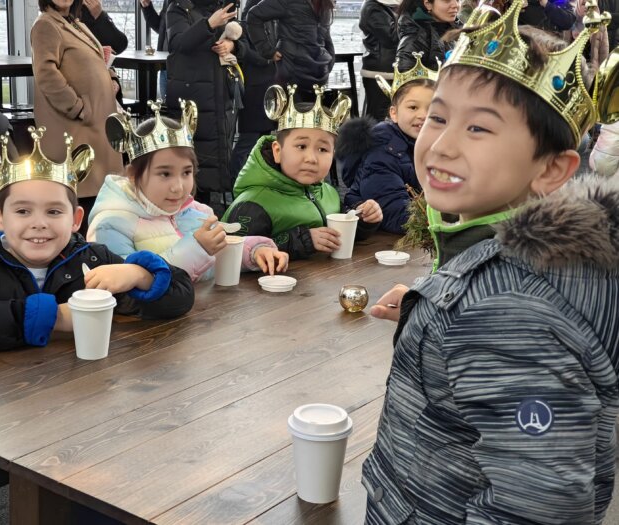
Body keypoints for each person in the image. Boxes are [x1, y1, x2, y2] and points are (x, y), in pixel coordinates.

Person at [362, 1, 619, 523]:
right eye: (436, 116)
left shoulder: (506, 313)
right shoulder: (540, 264)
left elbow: (539, 506)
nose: (440, 144)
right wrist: (431, 299)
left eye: (478, 129)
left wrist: (467, 309)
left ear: (552, 169)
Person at [0, 128, 194, 524]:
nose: (39, 224)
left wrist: (139, 274)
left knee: (110, 502)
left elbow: (181, 296)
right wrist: (55, 317)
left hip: (75, 415)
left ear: (76, 217)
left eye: (53, 212)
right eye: (22, 211)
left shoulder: (91, 259)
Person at [88, 102, 288, 281]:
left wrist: (255, 252)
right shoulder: (111, 225)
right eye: (165, 174)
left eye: (186, 172)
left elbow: (220, 253)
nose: (179, 187)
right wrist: (197, 249)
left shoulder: (197, 213)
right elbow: (129, 283)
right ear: (133, 176)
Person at [222, 85, 383, 260]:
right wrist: (302, 239)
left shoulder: (328, 194)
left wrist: (362, 218)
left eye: (322, 149)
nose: (311, 158)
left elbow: (338, 237)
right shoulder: (253, 204)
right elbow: (233, 254)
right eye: (301, 146)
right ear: (277, 151)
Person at [31, 0, 123, 233]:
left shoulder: (75, 23)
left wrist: (110, 77)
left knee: (97, 199)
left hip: (96, 127)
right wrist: (77, 107)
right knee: (79, 200)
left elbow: (97, 59)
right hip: (76, 128)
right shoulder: (46, 25)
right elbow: (46, 73)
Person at [335, 54, 436, 234]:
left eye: (432, 109)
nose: (423, 115)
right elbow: (396, 214)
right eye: (413, 107)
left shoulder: (436, 144)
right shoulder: (382, 151)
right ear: (394, 113)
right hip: (382, 241)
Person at [165, 0, 244, 211]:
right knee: (192, 155)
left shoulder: (223, 7)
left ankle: (208, 211)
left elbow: (242, 41)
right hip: (193, 96)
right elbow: (178, 43)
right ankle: (187, 211)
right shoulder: (179, 8)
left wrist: (232, 45)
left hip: (220, 94)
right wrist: (209, 24)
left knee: (215, 154)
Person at [229, 0, 279, 183]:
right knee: (249, 139)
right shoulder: (253, 13)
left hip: (266, 83)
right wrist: (269, 57)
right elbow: (245, 52)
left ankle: (251, 180)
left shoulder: (266, 13)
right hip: (254, 85)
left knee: (261, 138)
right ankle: (234, 181)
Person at [247, 0, 335, 97]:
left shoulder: (325, 3)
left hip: (309, 74)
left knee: (304, 109)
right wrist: (267, 51)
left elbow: (326, 36)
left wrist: (329, 62)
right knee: (299, 109)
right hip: (301, 73)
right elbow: (253, 16)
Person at [359, 0, 399, 121]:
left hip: (387, 69)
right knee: (379, 116)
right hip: (381, 71)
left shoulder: (389, 6)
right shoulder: (373, 7)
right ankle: (373, 140)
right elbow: (391, 37)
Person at [396, 0, 459, 70]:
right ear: (428, 4)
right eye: (447, 0)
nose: (455, 5)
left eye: (457, 0)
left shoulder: (459, 31)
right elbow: (406, 76)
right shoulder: (416, 37)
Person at [139, 0, 171, 99]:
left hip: (183, 66)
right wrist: (147, 6)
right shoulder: (169, 2)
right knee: (166, 109)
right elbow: (160, 27)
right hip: (165, 65)